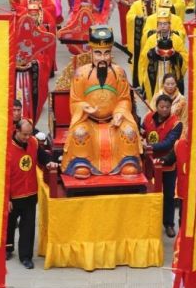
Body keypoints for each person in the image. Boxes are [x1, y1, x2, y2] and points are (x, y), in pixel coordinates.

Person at [61, 26, 143, 179]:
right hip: (88, 120)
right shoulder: (81, 74)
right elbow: (75, 101)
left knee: (129, 131)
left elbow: (124, 98)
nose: (103, 58)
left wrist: (119, 112)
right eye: (98, 53)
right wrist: (84, 107)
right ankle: (82, 163)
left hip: (114, 121)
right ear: (91, 52)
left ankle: (126, 163)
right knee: (80, 133)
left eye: (107, 53)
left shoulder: (119, 73)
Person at [6, 118, 57, 268]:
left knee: (28, 227)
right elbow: (3, 175)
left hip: (30, 192)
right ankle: (7, 248)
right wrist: (6, 198)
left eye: (29, 134)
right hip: (13, 194)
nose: (27, 138)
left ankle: (26, 256)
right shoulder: (7, 148)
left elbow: (42, 155)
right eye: (24, 135)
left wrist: (49, 162)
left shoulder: (33, 142)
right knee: (9, 224)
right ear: (17, 131)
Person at [141, 93, 182, 237]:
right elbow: (143, 131)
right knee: (148, 193)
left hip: (167, 163)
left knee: (169, 195)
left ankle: (169, 224)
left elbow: (169, 143)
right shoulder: (148, 118)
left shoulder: (177, 123)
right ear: (156, 107)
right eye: (161, 107)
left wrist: (149, 146)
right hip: (149, 163)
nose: (164, 109)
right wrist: (141, 135)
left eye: (167, 107)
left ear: (171, 107)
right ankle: (148, 223)